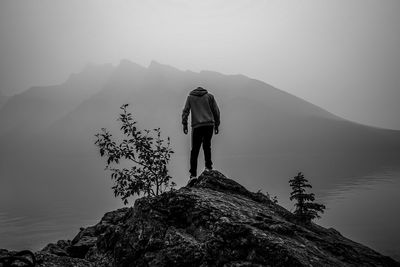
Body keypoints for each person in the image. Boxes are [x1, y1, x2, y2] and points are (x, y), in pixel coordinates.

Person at [182, 86, 220, 184]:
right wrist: (217, 124)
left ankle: (193, 175)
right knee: (207, 146)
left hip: (197, 126)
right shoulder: (209, 96)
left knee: (194, 150)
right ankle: (208, 168)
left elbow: (185, 111)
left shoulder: (190, 97)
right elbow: (216, 111)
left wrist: (184, 124)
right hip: (209, 125)